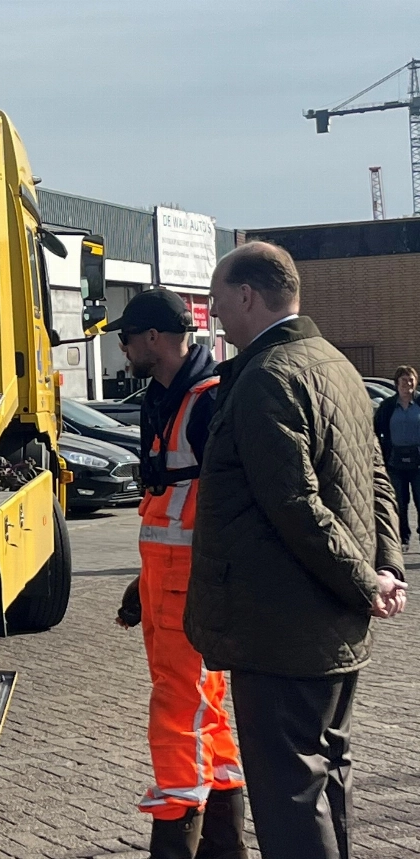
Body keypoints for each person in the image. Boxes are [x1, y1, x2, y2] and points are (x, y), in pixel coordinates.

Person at [185, 241, 408, 859]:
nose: (215, 313)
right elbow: (376, 477)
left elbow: (295, 507)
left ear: (248, 295)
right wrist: (384, 567)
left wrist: (369, 579)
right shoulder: (333, 363)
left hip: (281, 627)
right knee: (326, 771)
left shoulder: (266, 378)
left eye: (218, 298)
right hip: (332, 621)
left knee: (289, 793)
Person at [106, 289, 247, 859]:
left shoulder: (208, 402)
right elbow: (165, 501)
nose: (122, 346)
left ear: (154, 340)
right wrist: (139, 587)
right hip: (165, 587)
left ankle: (175, 842)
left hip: (192, 593)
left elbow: (222, 509)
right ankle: (224, 846)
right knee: (204, 713)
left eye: (128, 336)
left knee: (175, 713)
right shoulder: (161, 398)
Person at [375, 365, 420, 547]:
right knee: (399, 502)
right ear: (396, 383)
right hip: (395, 461)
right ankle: (403, 537)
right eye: (403, 380)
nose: (407, 384)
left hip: (418, 462)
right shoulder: (387, 406)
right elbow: (376, 431)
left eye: (410, 380)